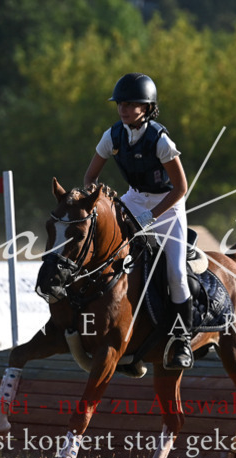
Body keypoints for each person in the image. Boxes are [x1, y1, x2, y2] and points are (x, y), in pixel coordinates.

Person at [82, 72, 193, 371]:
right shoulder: (112, 135)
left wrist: (150, 216)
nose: (123, 109)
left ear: (147, 108)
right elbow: (90, 177)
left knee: (176, 273)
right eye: (120, 104)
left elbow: (181, 188)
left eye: (131, 104)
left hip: (168, 204)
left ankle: (182, 341)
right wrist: (97, 201)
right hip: (133, 198)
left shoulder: (160, 140)